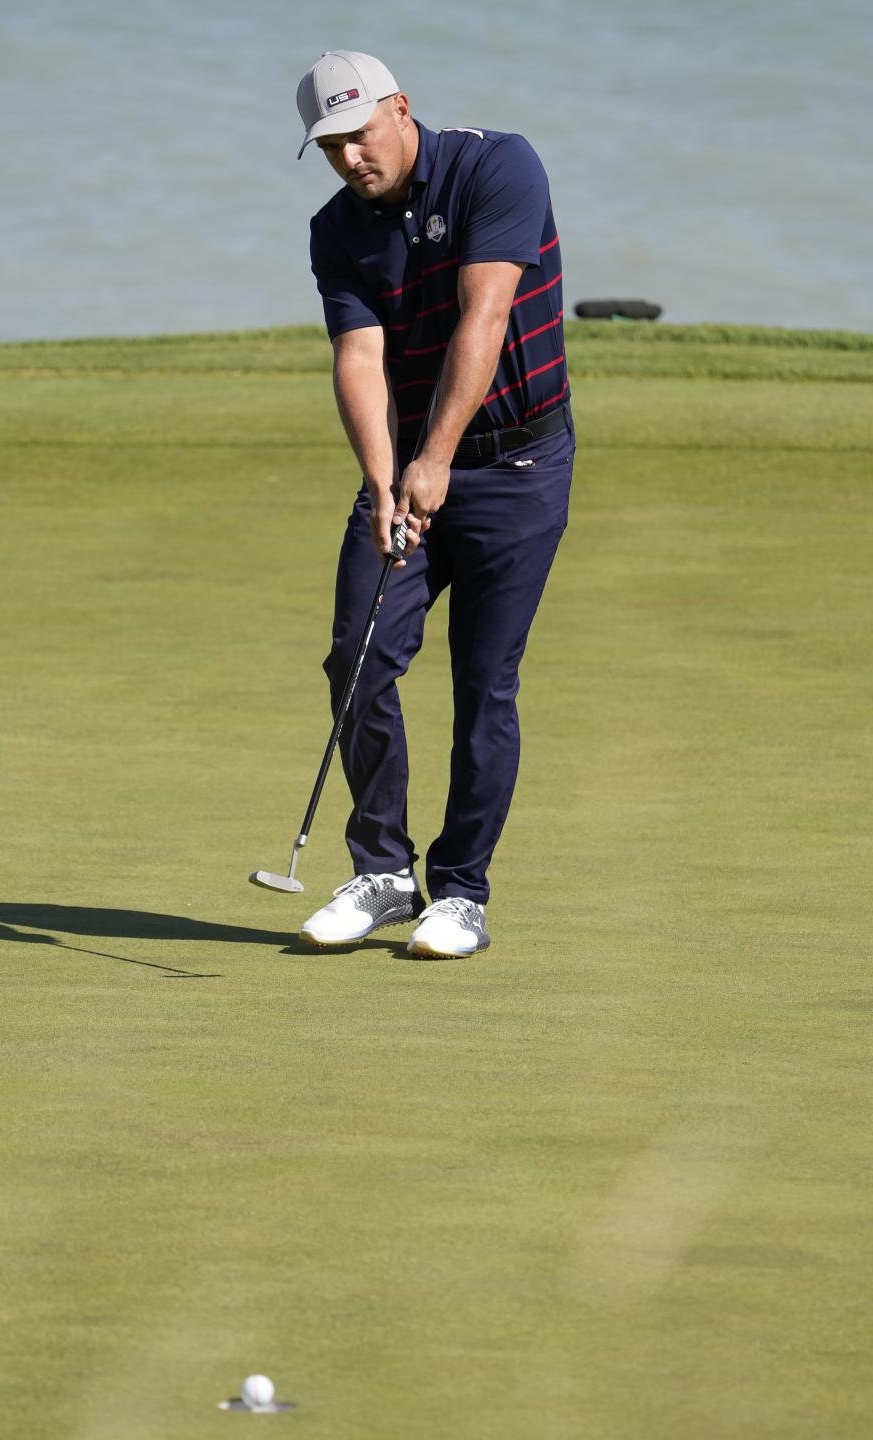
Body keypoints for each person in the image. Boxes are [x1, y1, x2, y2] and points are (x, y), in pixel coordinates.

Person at [294, 50, 575, 958]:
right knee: (357, 657)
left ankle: (461, 893)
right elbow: (361, 359)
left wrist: (438, 458)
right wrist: (385, 476)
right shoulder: (335, 229)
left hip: (519, 466)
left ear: (400, 110)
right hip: (410, 465)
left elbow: (483, 317)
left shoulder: (499, 165)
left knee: (482, 681)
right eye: (329, 145)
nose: (349, 158)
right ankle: (382, 871)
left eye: (359, 136)